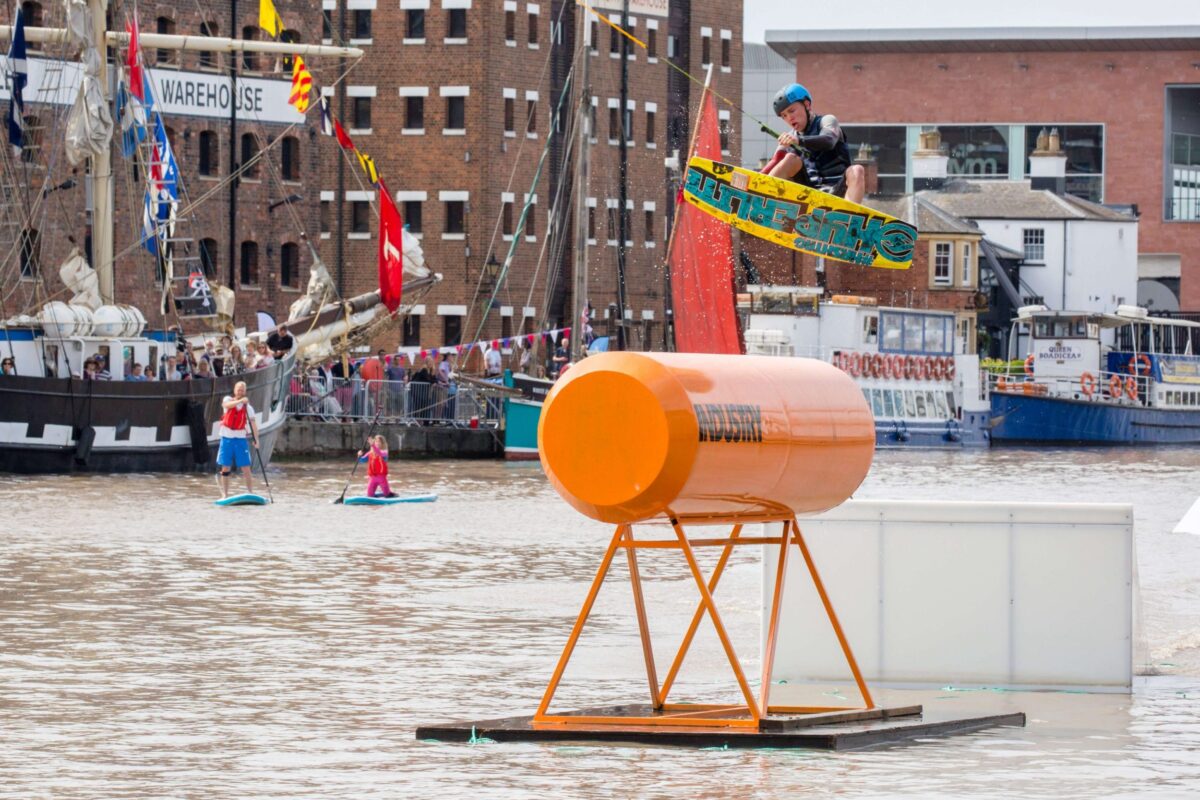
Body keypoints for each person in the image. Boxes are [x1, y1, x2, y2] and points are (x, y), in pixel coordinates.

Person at [766, 83, 865, 205]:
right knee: (790, 158)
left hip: (839, 193)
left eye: (792, 111)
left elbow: (829, 140)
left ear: (807, 105)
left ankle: (850, 215)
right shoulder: (790, 137)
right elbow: (774, 163)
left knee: (857, 170)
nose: (789, 118)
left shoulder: (826, 121)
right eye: (784, 116)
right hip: (808, 195)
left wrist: (799, 141)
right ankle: (759, 196)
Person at [216, 380, 260, 499]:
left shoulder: (248, 408)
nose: (240, 391)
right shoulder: (227, 400)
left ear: (245, 391)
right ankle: (225, 494)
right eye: (238, 389)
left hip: (240, 439)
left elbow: (253, 424)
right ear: (235, 390)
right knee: (225, 467)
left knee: (246, 467)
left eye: (242, 390)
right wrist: (240, 401)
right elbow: (227, 406)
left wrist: (256, 439)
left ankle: (250, 492)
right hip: (226, 439)